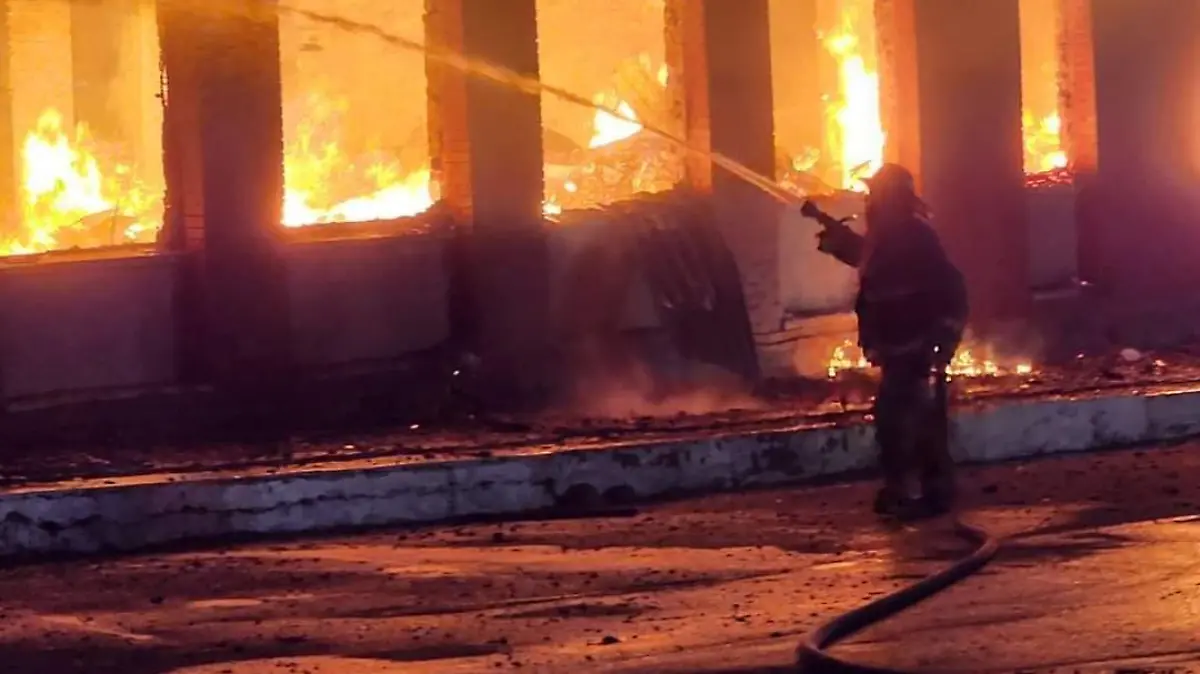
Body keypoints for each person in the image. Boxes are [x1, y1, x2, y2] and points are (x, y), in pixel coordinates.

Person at [814, 163, 968, 520]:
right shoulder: (889, 236)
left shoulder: (915, 237)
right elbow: (876, 266)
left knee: (906, 418)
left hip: (915, 345)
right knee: (899, 418)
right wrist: (842, 245)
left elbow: (950, 288)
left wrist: (944, 338)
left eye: (876, 194)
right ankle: (911, 487)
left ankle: (927, 489)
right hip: (897, 347)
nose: (870, 201)